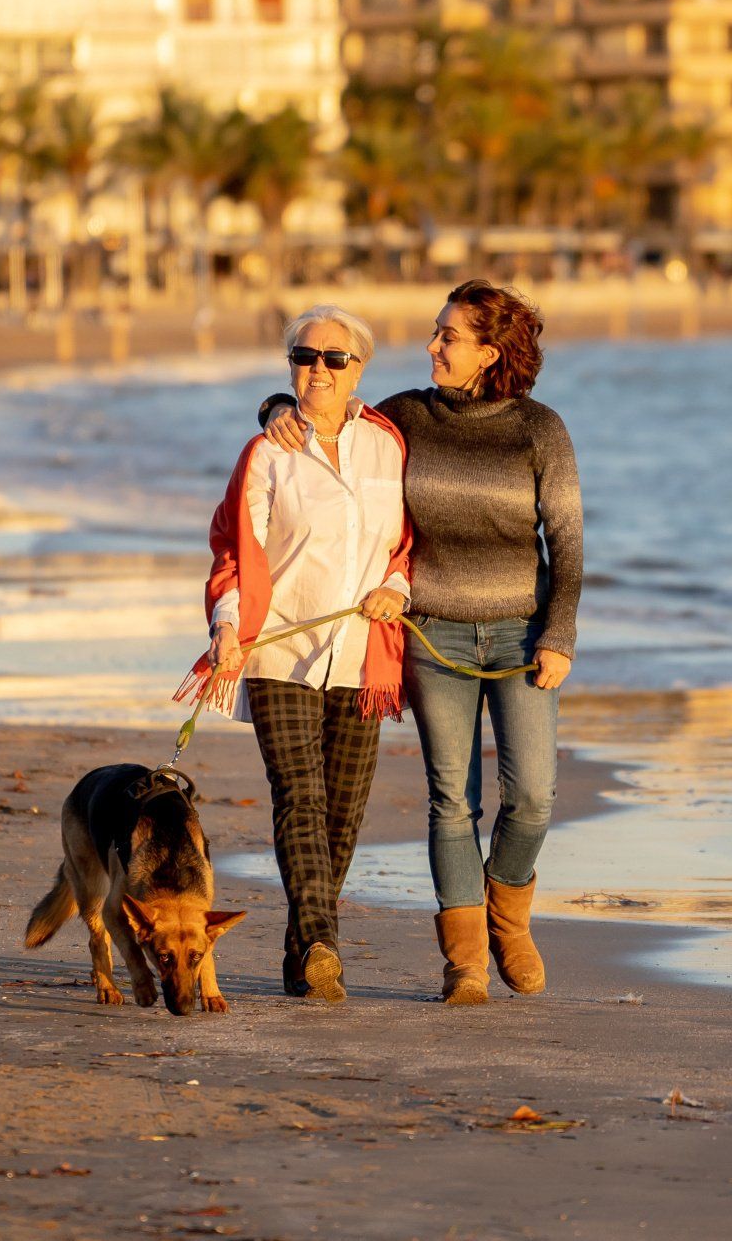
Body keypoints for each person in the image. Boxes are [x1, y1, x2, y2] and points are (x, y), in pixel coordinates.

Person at [262, 279, 580, 1005]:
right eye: (436, 333)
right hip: (431, 633)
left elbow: (567, 541)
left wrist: (558, 632)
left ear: (489, 352)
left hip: (519, 635)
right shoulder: (407, 416)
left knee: (532, 794)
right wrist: (277, 407)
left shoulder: (541, 430)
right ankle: (465, 962)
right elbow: (331, 413)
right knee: (450, 799)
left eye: (448, 336)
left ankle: (508, 910)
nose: (432, 346)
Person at [179, 304, 412, 1003]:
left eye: (332, 359)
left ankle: (301, 949)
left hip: (362, 652)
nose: (317, 369)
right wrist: (226, 625)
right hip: (280, 647)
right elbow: (232, 546)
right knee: (300, 795)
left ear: (358, 368)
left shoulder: (389, 444)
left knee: (343, 809)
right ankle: (320, 943)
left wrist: (396, 588)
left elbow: (404, 544)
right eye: (303, 358)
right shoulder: (268, 451)